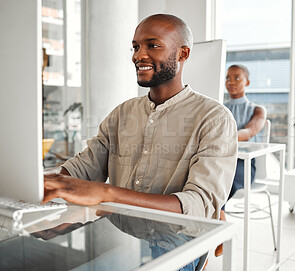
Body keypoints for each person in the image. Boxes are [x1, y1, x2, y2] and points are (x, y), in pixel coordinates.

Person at [43, 14, 238, 221]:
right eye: (135, 47)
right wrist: (42, 181)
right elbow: (84, 168)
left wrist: (108, 193)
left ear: (183, 54)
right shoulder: (122, 113)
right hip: (119, 234)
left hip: (177, 242)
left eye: (152, 46)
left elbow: (199, 205)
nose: (138, 56)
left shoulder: (215, 119)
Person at [214, 64, 266, 256]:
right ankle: (220, 223)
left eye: (237, 78)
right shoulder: (218, 107)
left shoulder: (257, 109)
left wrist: (222, 137)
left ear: (247, 82)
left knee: (220, 178)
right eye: (228, 78)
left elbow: (250, 132)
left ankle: (218, 225)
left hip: (244, 165)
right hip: (220, 161)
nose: (231, 82)